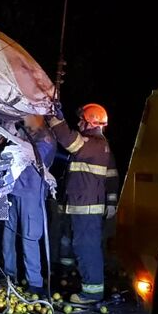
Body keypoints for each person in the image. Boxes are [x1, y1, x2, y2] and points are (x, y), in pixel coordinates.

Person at [47, 103, 119, 303]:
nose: (79, 123)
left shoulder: (93, 144)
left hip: (86, 208)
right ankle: (71, 278)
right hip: (79, 206)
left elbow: (69, 140)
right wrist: (112, 202)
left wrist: (55, 118)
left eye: (82, 120)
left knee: (86, 247)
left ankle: (92, 292)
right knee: (70, 244)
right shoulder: (102, 146)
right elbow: (112, 176)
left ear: (92, 123)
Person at [2, 115, 56, 297]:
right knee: (8, 236)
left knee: (29, 237)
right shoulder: (27, 134)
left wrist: (12, 135)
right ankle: (9, 278)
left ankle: (35, 283)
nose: (23, 118)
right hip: (14, 191)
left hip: (32, 195)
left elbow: (30, 155)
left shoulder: (46, 138)